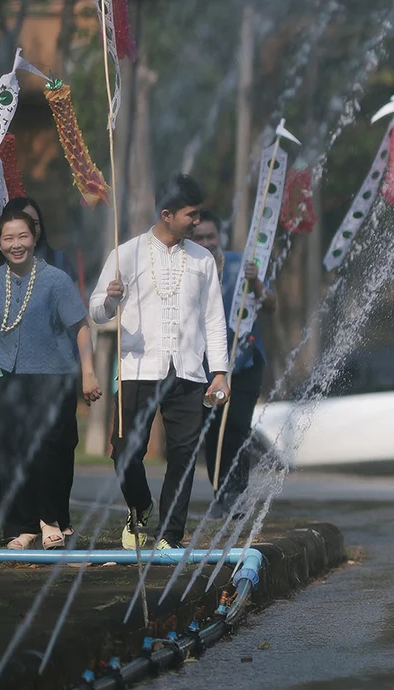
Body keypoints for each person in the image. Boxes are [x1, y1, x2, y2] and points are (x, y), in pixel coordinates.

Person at [89, 173, 230, 550]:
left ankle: (170, 534)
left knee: (183, 455)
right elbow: (96, 311)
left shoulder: (202, 260)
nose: (197, 221)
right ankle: (140, 506)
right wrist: (110, 299)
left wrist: (220, 372)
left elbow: (214, 318)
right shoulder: (126, 253)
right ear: (167, 214)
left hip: (188, 372)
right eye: (191, 214)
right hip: (138, 368)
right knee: (124, 452)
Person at [0, 207, 100, 547]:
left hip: (52, 377)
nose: (16, 244)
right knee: (13, 452)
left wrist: (88, 374)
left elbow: (81, 327)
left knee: (47, 451)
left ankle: (51, 521)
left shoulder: (55, 280)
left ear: (34, 237)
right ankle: (21, 527)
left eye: (22, 236)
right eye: (8, 238)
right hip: (7, 376)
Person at [191, 210, 266, 507]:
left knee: (236, 426)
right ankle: (220, 495)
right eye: (199, 238)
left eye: (211, 236)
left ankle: (237, 497)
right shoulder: (188, 269)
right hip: (205, 366)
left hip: (244, 362)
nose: (206, 243)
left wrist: (256, 282)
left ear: (219, 237)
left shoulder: (241, 265)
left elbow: (271, 303)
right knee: (213, 431)